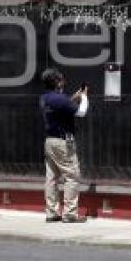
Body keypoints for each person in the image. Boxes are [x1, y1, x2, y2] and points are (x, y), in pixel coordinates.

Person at [39, 68, 87, 223]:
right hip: (63, 142)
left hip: (50, 141)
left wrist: (73, 97)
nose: (64, 82)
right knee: (71, 175)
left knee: (51, 177)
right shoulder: (60, 99)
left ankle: (51, 212)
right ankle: (70, 214)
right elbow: (81, 112)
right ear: (57, 82)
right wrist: (84, 97)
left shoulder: (45, 98)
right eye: (62, 80)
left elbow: (62, 108)